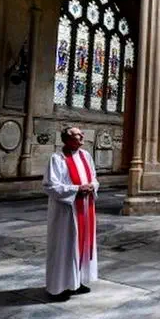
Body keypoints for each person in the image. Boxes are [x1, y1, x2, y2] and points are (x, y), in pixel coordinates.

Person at [43, 126, 98, 300]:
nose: (82, 136)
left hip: (85, 208)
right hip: (66, 213)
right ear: (67, 139)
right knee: (65, 247)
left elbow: (94, 178)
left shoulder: (86, 156)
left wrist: (92, 186)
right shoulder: (57, 159)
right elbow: (50, 186)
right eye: (77, 134)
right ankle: (59, 288)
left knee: (81, 245)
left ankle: (77, 281)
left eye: (82, 133)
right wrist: (76, 189)